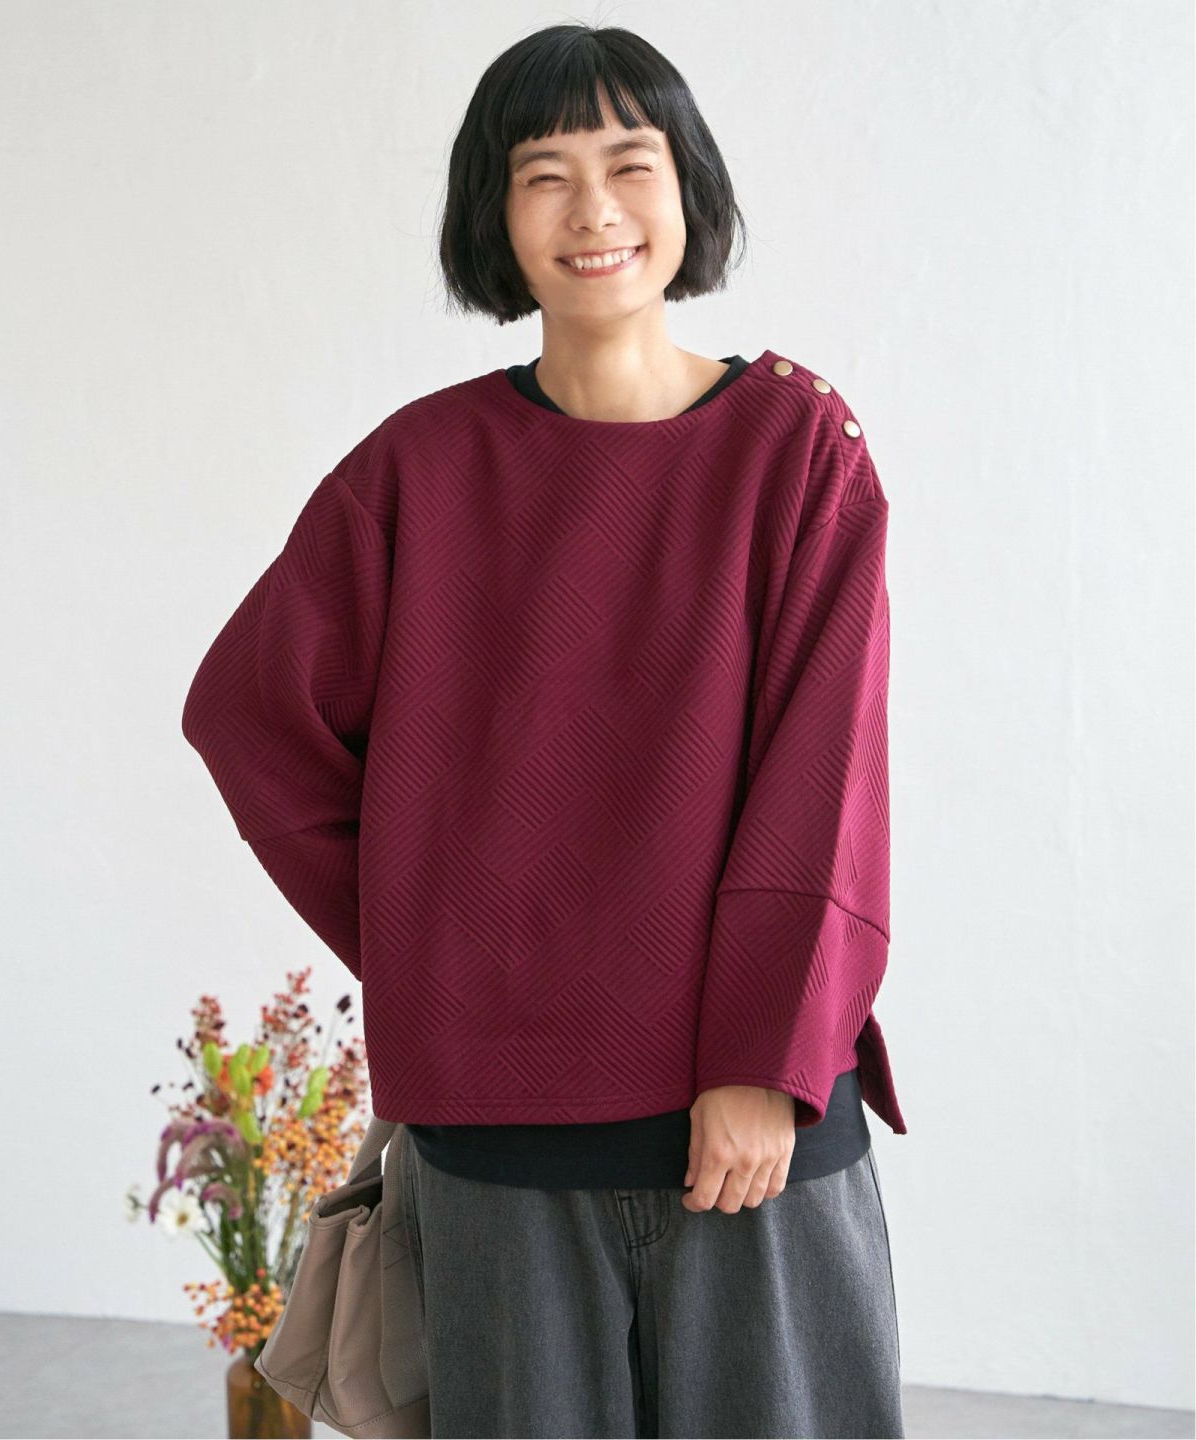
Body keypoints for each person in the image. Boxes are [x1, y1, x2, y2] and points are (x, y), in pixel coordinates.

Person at [182, 21, 907, 1440]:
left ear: (687, 187)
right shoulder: (417, 470)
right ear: (493, 214)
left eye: (630, 164)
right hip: (500, 1143)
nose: (592, 210)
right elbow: (250, 717)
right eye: (544, 174)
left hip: (751, 1121)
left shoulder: (795, 449)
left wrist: (761, 1060)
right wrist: (436, 945)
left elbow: (827, 777)